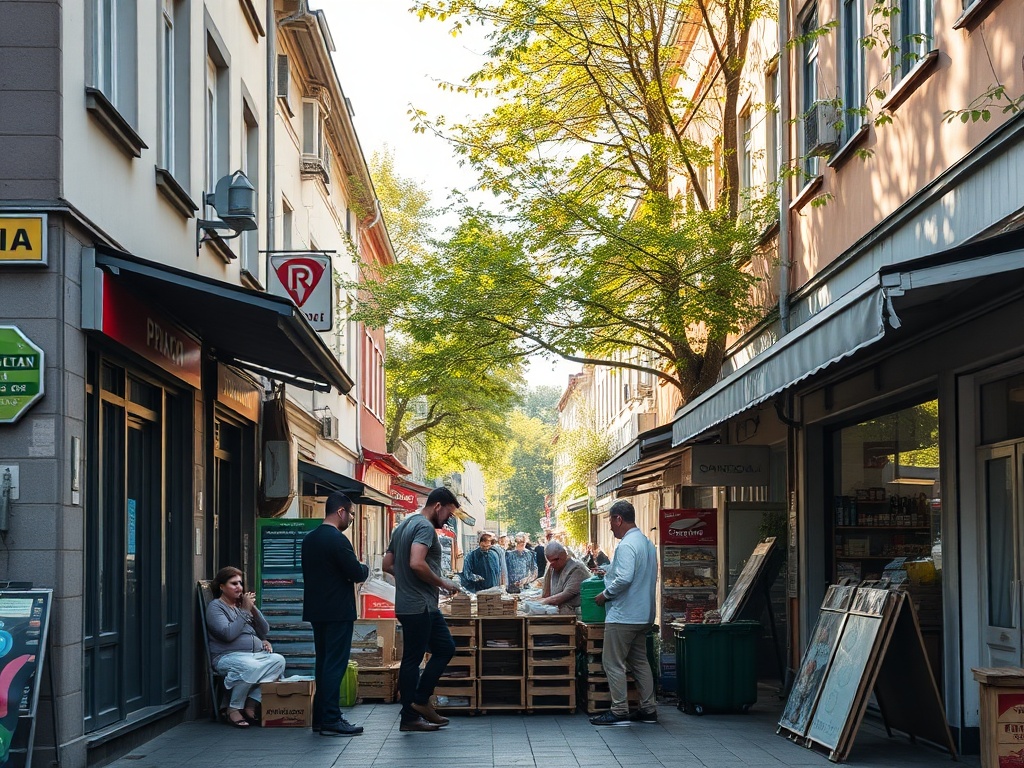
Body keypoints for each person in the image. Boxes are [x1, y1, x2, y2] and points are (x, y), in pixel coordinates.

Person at [383, 487, 475, 732]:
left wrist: (415, 580)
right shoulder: (424, 527)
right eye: (448, 513)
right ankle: (414, 709)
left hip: (411, 603)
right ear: (438, 506)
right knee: (414, 659)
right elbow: (415, 562)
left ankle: (417, 705)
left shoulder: (402, 526)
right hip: (420, 605)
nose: (448, 519)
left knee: (442, 648)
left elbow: (387, 564)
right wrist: (442, 582)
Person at [301, 491, 369, 737]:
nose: (351, 518)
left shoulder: (310, 540)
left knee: (323, 662)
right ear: (340, 511)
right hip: (338, 611)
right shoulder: (338, 540)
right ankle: (331, 718)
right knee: (335, 664)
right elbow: (356, 572)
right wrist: (365, 567)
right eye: (350, 514)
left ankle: (320, 717)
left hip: (317, 610)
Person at [591, 499, 658, 726]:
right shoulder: (646, 543)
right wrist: (609, 570)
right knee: (640, 661)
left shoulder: (626, 545)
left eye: (610, 520)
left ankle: (619, 709)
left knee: (612, 661)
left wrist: (605, 594)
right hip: (643, 614)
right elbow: (634, 572)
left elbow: (625, 577)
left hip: (624, 615)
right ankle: (648, 709)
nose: (610, 526)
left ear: (619, 519)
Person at [206, 566, 286, 728]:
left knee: (278, 661)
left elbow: (264, 630)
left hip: (252, 656)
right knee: (250, 666)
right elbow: (228, 634)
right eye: (233, 583)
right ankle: (233, 708)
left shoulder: (239, 606)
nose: (239, 587)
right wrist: (244, 611)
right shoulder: (216, 607)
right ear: (222, 586)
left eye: (240, 584)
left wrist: (253, 609)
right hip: (225, 657)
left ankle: (251, 703)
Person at [537, 541, 590, 615]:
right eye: (550, 561)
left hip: (575, 617)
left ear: (563, 554)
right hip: (560, 616)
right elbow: (547, 594)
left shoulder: (577, 569)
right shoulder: (553, 568)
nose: (552, 564)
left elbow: (565, 595)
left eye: (554, 560)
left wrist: (541, 602)